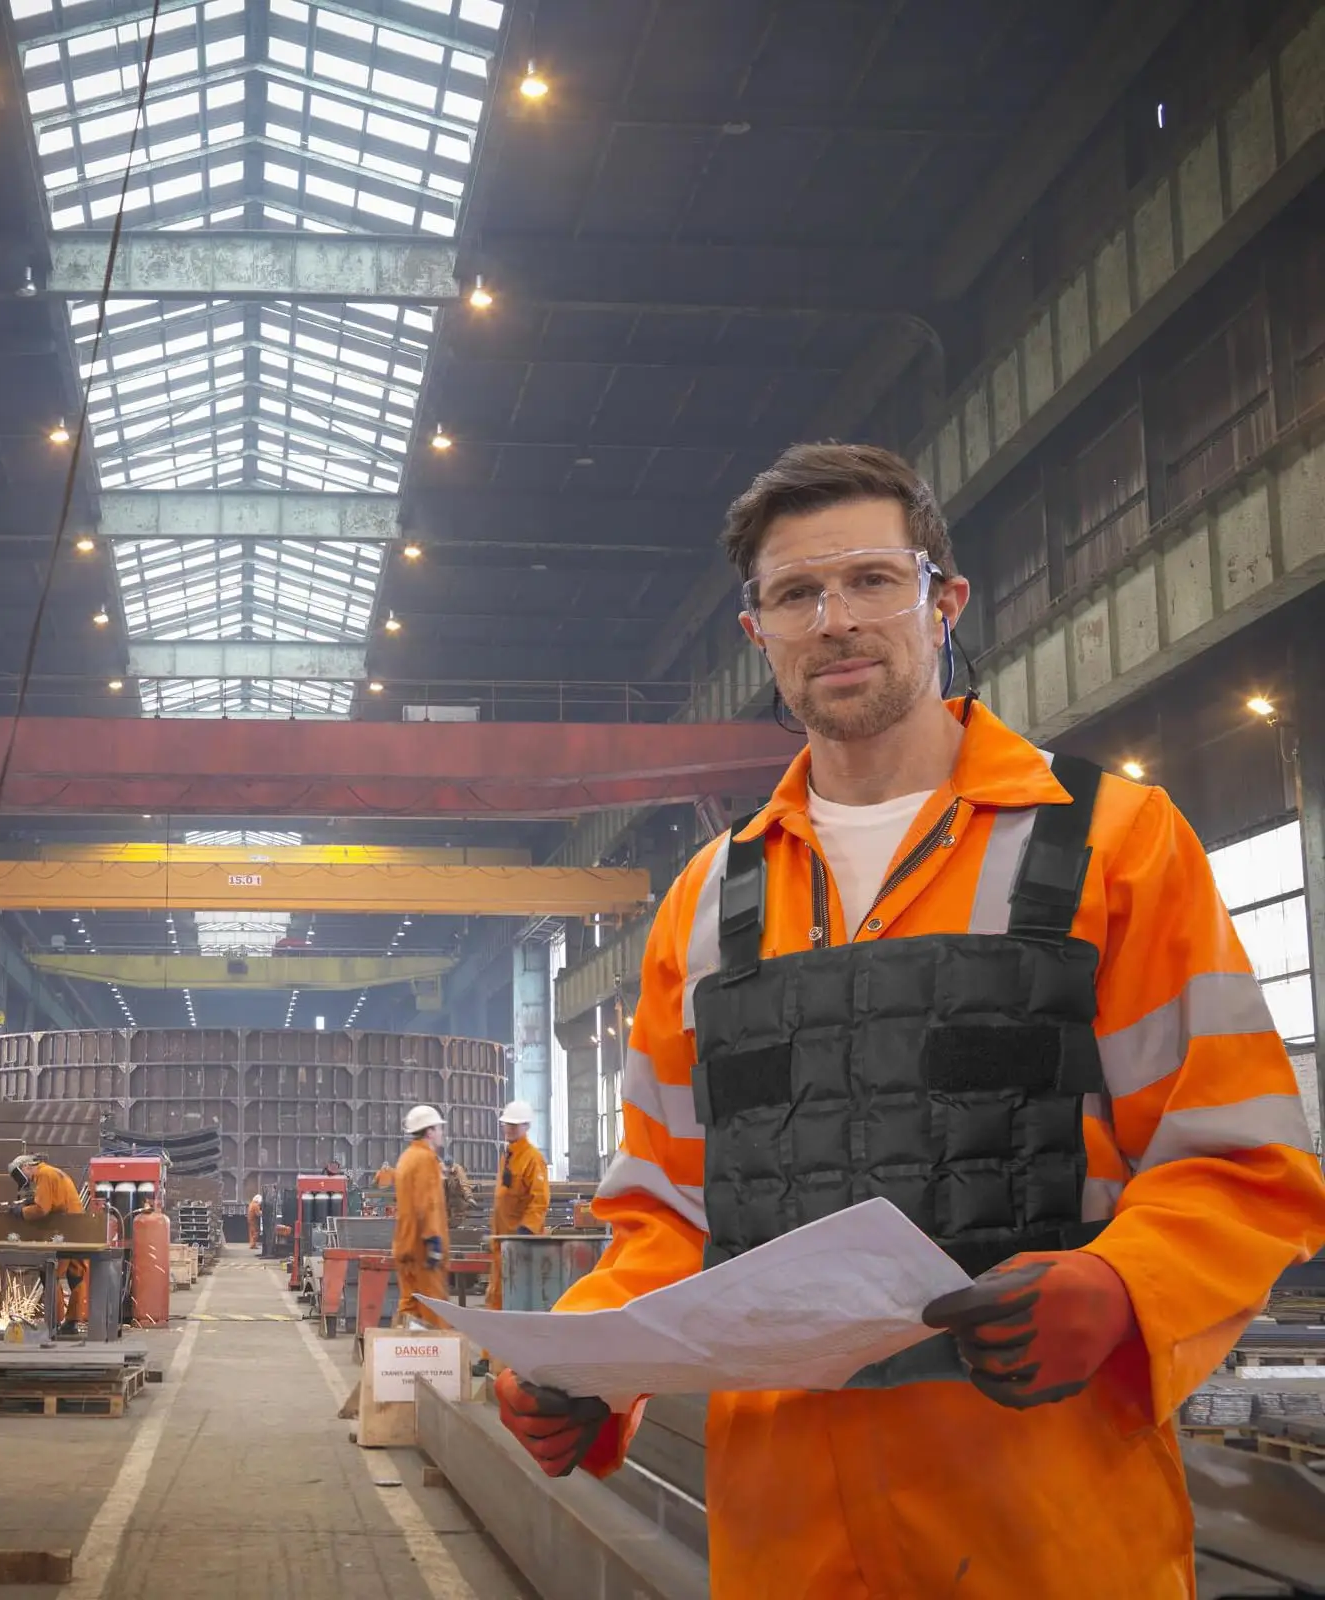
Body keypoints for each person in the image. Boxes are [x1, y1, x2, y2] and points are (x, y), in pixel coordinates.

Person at [494, 442, 1325, 1598]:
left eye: (872, 580)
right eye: (795, 594)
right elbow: (666, 1211)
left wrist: (1124, 1287)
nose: (835, 620)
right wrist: (583, 1362)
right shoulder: (705, 906)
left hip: (1047, 1529)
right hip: (783, 1537)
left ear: (944, 599)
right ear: (758, 636)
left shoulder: (1112, 847)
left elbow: (1239, 1160)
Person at [8, 1154, 87, 1337]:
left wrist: (21, 1211)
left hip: (63, 1232)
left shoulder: (43, 1175)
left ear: (26, 1167)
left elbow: (42, 1209)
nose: (27, 1181)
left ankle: (54, 1324)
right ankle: (72, 1321)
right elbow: (52, 1201)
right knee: (76, 1276)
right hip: (78, 1229)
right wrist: (29, 1202)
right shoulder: (53, 1172)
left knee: (51, 1273)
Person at [486, 1099, 550, 1309]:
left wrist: (526, 1231)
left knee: (516, 1299)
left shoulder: (533, 1158)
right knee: (497, 1297)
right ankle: (493, 1342)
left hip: (520, 1244)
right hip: (503, 1242)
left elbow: (539, 1200)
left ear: (527, 1126)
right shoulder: (508, 1157)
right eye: (507, 1124)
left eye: (515, 1125)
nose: (510, 1129)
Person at [392, 1104, 449, 1326]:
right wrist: (434, 1241)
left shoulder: (406, 1158)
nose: (441, 1133)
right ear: (429, 1131)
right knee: (434, 1307)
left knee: (410, 1306)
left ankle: (400, 1354)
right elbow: (428, 1203)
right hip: (423, 1249)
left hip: (405, 1243)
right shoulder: (426, 1160)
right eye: (438, 1128)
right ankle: (439, 1359)